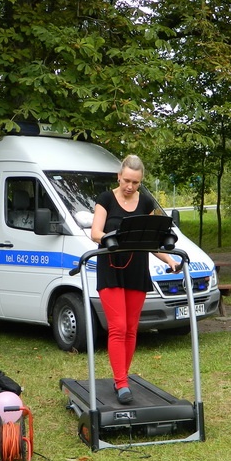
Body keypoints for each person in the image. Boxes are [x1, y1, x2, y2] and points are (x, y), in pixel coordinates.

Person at [90, 155, 179, 404]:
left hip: (137, 269)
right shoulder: (106, 198)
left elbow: (151, 239)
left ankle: (123, 376)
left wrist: (169, 260)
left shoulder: (146, 202)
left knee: (130, 328)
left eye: (135, 183)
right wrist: (110, 239)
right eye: (127, 180)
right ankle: (121, 383)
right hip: (111, 268)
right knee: (117, 327)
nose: (130, 186)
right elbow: (95, 232)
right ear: (119, 176)